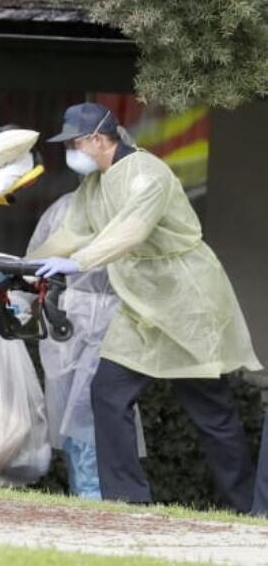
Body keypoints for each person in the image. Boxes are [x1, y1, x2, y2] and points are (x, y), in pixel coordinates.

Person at [31, 102, 262, 510]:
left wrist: (79, 261)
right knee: (108, 391)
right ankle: (127, 501)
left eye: (76, 143)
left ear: (100, 139)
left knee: (212, 412)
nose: (71, 151)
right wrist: (23, 267)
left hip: (186, 303)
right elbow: (71, 232)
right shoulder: (95, 184)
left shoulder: (147, 173)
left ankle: (248, 507)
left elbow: (131, 231)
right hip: (142, 308)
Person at [28, 191, 132, 499]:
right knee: (70, 419)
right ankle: (86, 494)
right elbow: (35, 259)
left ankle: (95, 494)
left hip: (110, 323)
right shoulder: (64, 208)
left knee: (92, 415)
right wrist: (21, 300)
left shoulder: (129, 208)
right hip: (66, 322)